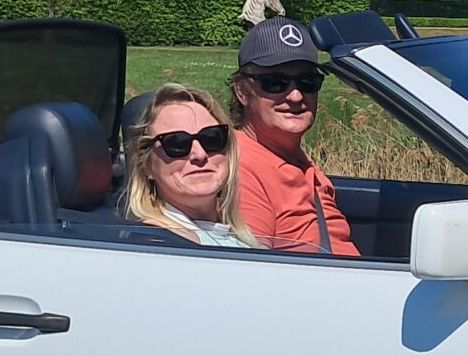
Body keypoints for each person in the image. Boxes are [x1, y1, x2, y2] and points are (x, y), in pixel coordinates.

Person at [229, 17, 358, 256]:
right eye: (275, 83)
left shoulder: (291, 158)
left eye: (307, 82)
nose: (296, 96)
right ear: (242, 91)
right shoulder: (241, 168)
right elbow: (252, 268)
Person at [121, 84, 256, 249]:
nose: (200, 154)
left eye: (211, 138)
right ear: (146, 165)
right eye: (177, 143)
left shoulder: (231, 233)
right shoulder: (158, 243)